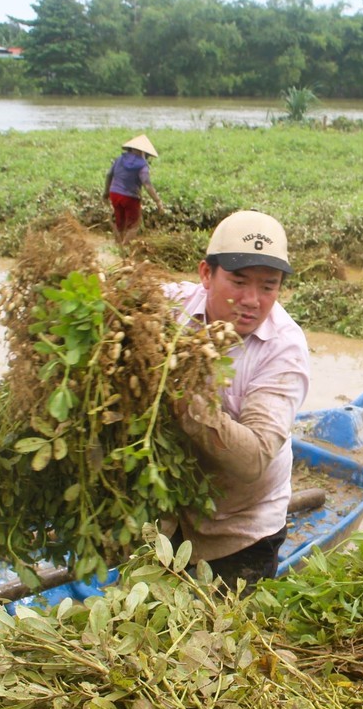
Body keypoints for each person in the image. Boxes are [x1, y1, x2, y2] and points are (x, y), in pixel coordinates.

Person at [166, 209, 311, 591]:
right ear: (205, 274)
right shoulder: (170, 307)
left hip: (240, 532)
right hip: (167, 512)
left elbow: (254, 458)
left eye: (269, 286)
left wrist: (183, 401)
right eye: (239, 281)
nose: (252, 300)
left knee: (215, 641)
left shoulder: (284, 350)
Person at [105, 136, 163, 239]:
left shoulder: (119, 159)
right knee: (134, 225)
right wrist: (158, 201)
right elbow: (147, 184)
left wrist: (106, 193)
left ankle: (118, 245)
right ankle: (125, 251)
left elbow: (109, 174)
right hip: (130, 197)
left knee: (120, 223)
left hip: (114, 194)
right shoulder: (142, 165)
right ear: (144, 152)